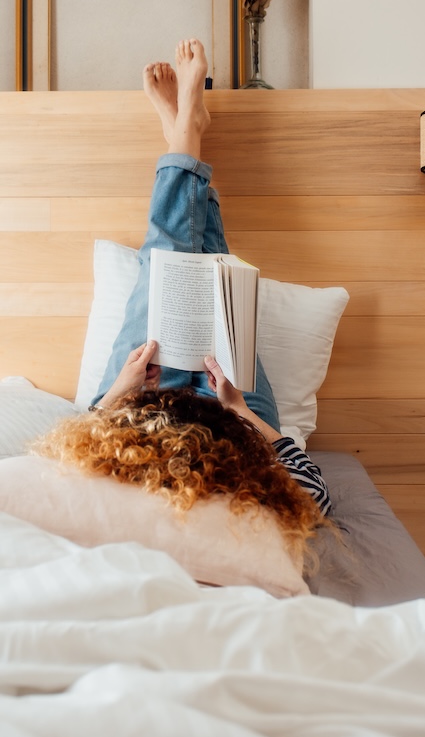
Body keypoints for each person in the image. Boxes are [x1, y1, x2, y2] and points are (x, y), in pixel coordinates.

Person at [36, 39, 331, 558]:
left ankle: (184, 132)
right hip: (237, 419)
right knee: (215, 272)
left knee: (164, 262)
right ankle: (184, 133)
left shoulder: (120, 524)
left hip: (135, 412)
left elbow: (64, 462)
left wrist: (119, 395)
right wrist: (240, 410)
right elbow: (314, 492)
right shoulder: (247, 516)